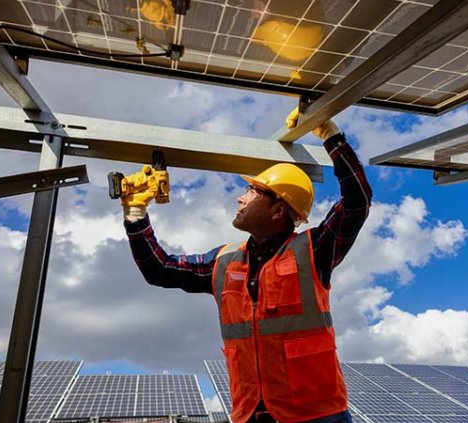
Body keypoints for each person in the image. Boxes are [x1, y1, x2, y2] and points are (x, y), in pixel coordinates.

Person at [121, 115, 372, 423]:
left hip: (317, 415)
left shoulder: (314, 250)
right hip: (249, 413)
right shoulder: (224, 261)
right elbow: (160, 269)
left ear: (278, 209)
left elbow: (357, 202)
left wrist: (329, 134)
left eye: (253, 192)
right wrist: (136, 214)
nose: (240, 197)